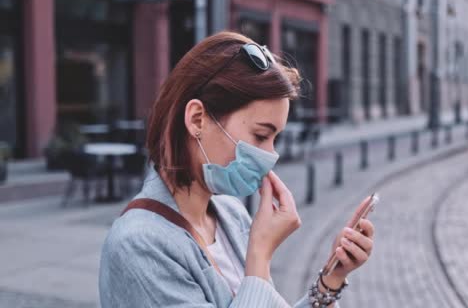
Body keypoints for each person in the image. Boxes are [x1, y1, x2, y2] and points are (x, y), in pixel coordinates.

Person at [99, 31, 375, 307]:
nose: (271, 155)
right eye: (260, 135)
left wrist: (332, 279)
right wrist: (259, 256)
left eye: (275, 138)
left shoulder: (231, 215)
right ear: (197, 120)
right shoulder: (138, 244)